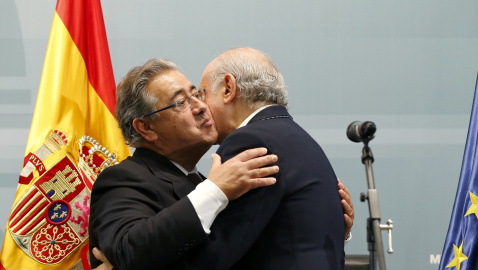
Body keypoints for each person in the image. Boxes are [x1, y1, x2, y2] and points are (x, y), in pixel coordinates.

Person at [90, 56, 354, 270]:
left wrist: (316, 218)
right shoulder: (125, 179)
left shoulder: (218, 181)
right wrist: (214, 191)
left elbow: (242, 250)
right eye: (181, 102)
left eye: (198, 94)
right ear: (146, 128)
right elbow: (126, 249)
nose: (200, 107)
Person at [183, 47, 347, 269]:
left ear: (228, 88)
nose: (200, 106)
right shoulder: (297, 136)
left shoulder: (250, 141)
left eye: (201, 94)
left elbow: (218, 253)